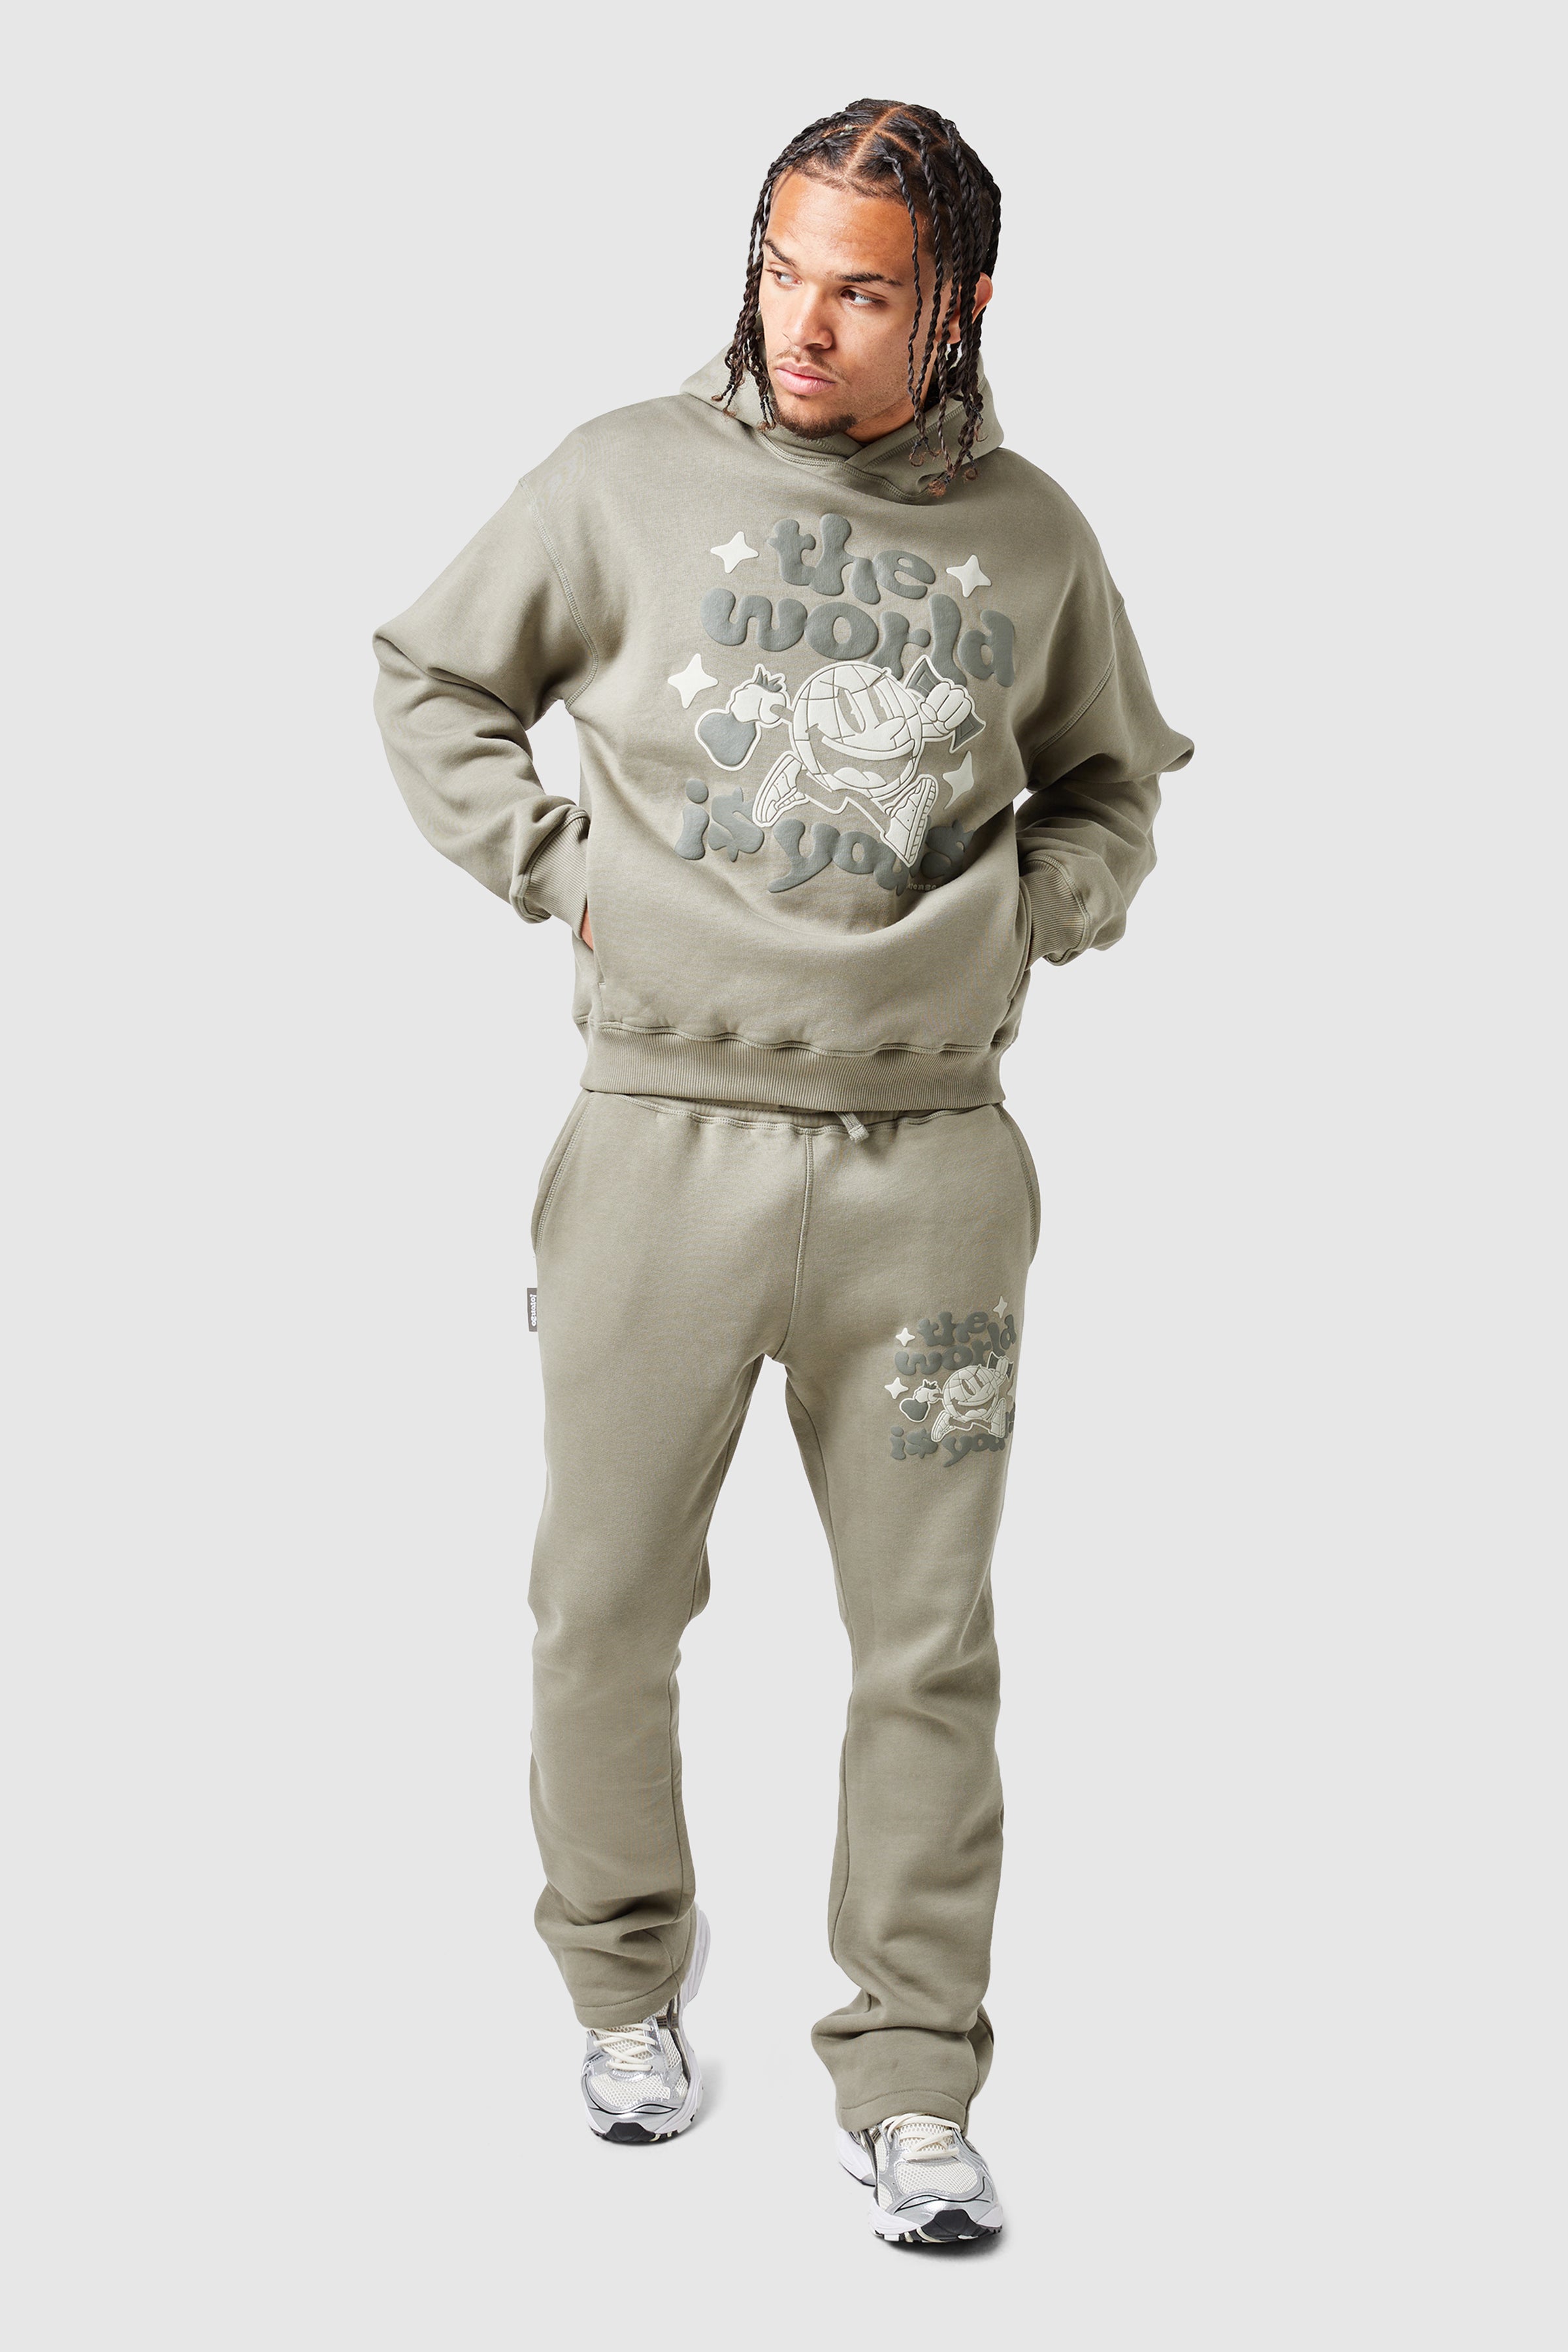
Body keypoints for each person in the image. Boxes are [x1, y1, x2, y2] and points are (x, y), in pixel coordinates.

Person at [372, 97, 1192, 2248]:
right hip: (656, 1146)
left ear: (960, 305)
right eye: (779, 271)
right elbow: (433, 674)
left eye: (860, 292)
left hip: (933, 1171)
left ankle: (913, 2078)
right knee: (604, 1603)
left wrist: (1046, 912)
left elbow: (1114, 781)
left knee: (927, 1644)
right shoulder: (620, 480)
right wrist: (559, 871)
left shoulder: (1033, 537)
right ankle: (621, 1985)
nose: (803, 326)